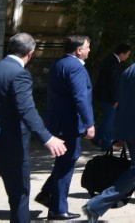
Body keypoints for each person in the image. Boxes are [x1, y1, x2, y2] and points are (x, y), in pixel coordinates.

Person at [0, 33, 67, 223]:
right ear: (31, 53)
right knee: (19, 198)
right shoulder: (19, 74)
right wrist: (47, 138)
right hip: (11, 149)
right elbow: (26, 110)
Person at [83, 38, 135, 223]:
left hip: (129, 129)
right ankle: (95, 205)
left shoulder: (130, 69)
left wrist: (119, 132)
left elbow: (122, 102)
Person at [36, 35, 96, 220]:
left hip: (58, 122)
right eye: (87, 47)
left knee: (63, 162)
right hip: (70, 124)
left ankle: (47, 193)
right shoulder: (75, 67)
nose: (89, 50)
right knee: (66, 165)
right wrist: (89, 123)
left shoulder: (58, 63)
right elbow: (80, 97)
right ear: (78, 50)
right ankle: (58, 209)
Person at [93, 43, 131, 151]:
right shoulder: (113, 62)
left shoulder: (110, 60)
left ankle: (97, 137)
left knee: (107, 118)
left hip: (104, 95)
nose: (127, 57)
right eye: (127, 55)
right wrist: (115, 99)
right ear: (122, 54)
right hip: (108, 97)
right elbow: (113, 83)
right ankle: (106, 144)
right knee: (109, 119)